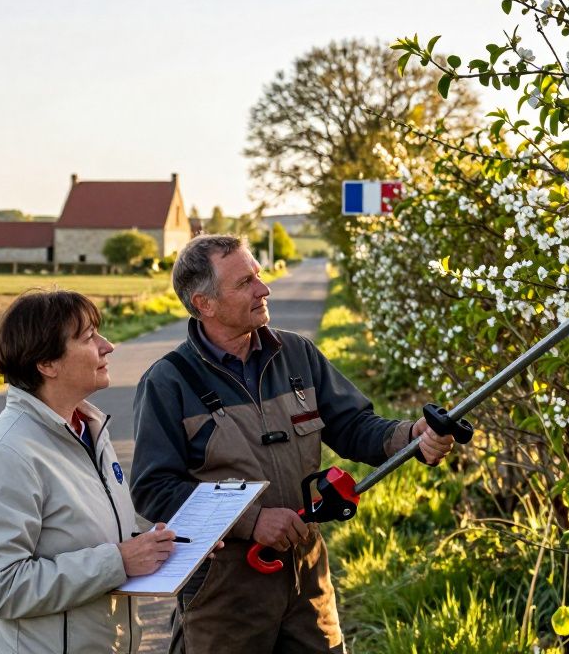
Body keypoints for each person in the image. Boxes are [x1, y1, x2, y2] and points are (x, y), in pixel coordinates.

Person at [131, 235, 458, 653]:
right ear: (204, 303)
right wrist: (252, 521)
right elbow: (153, 489)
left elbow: (354, 425)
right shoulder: (168, 382)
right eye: (245, 283)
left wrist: (409, 436)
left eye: (259, 276)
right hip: (223, 593)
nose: (264, 289)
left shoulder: (297, 354)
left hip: (308, 577)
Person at [0, 290, 177, 653]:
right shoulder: (1, 456)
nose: (109, 346)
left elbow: (87, 538)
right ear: (47, 363)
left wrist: (163, 548)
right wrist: (118, 560)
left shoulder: (88, 431)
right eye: (89, 338)